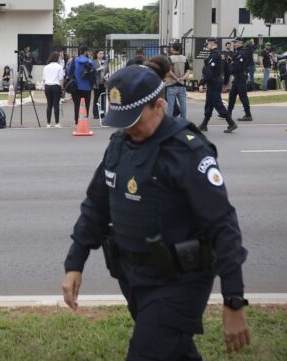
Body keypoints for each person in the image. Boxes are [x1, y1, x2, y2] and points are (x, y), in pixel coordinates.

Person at [62, 65, 250, 361]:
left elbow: (223, 225)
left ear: (159, 106)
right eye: (121, 120)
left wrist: (234, 300)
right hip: (133, 277)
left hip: (179, 282)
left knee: (147, 352)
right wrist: (75, 262)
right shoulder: (119, 145)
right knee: (176, 351)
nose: (127, 128)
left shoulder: (187, 152)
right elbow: (96, 206)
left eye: (134, 120)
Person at [199, 37, 238, 133]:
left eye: (207, 44)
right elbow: (227, 69)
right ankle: (204, 125)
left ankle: (231, 123)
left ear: (212, 43)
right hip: (217, 81)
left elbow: (209, 72)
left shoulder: (214, 55)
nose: (207, 46)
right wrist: (225, 82)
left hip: (213, 82)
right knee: (209, 103)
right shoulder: (222, 54)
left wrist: (201, 83)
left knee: (217, 103)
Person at [226, 38, 252, 121]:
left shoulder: (242, 53)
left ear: (240, 43)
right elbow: (234, 62)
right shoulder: (237, 53)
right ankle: (228, 113)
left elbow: (237, 67)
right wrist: (231, 61)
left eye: (235, 43)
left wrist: (229, 71)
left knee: (243, 96)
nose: (234, 44)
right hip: (237, 78)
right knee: (232, 95)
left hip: (241, 78)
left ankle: (248, 115)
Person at [68, 46, 94, 124]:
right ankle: (84, 120)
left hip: (76, 86)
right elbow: (93, 72)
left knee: (77, 104)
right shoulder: (90, 61)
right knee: (86, 104)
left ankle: (76, 120)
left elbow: (69, 72)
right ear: (85, 52)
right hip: (87, 86)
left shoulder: (74, 60)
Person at [165, 43, 190, 119]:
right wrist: (182, 79)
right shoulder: (185, 58)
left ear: (173, 48)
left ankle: (169, 123)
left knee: (170, 106)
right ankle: (183, 121)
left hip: (171, 84)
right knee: (183, 105)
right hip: (182, 85)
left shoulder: (170, 58)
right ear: (180, 49)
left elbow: (169, 71)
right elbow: (188, 71)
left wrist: (176, 78)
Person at [42, 52, 64, 127]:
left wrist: (44, 87)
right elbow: (61, 79)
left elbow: (44, 79)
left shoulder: (46, 67)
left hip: (47, 86)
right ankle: (57, 123)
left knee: (49, 105)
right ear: (57, 58)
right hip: (56, 86)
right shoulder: (59, 67)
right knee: (56, 105)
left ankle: (48, 123)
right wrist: (62, 88)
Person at [92, 49, 109, 119]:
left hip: (103, 82)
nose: (101, 55)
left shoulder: (105, 62)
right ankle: (95, 114)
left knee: (103, 98)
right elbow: (92, 72)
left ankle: (102, 113)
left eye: (102, 54)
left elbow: (108, 71)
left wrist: (107, 75)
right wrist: (98, 69)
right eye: (100, 53)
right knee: (96, 98)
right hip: (96, 83)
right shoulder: (93, 62)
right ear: (97, 54)